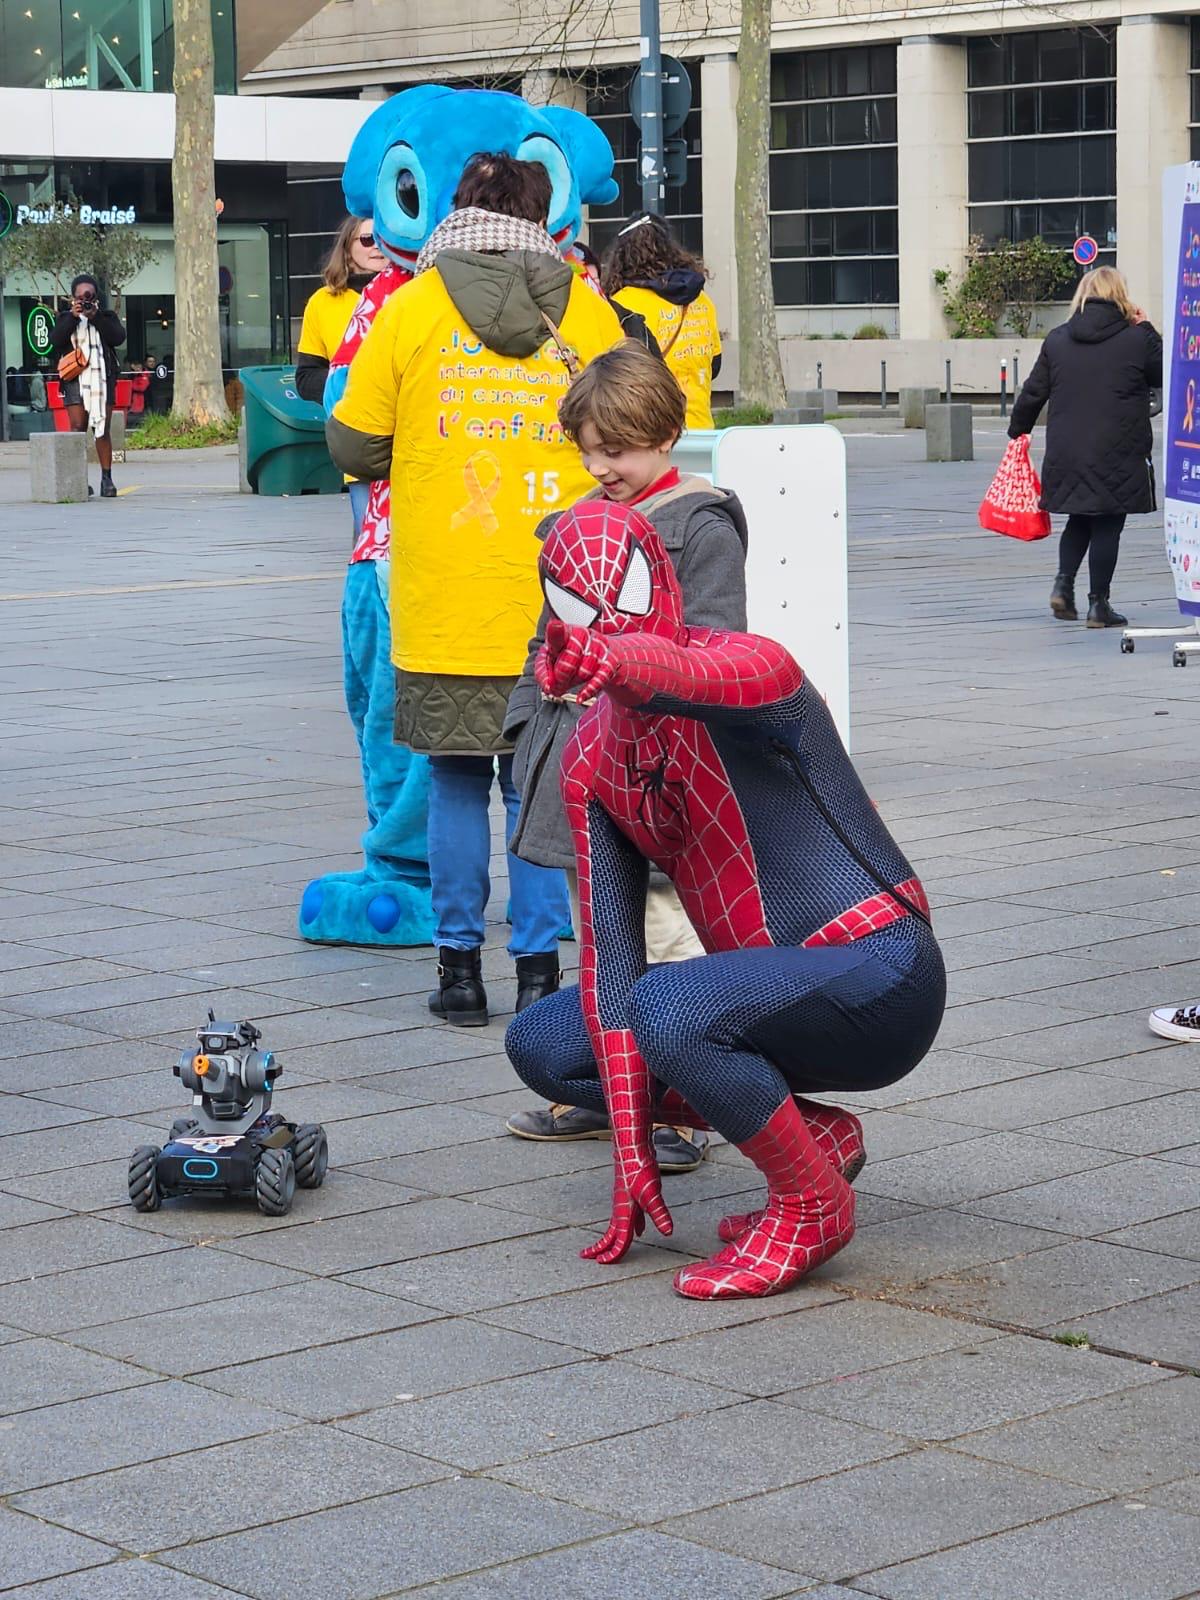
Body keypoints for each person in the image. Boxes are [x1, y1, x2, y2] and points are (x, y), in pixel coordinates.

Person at [504, 499, 946, 1300]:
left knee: (670, 1004)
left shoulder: (753, 670)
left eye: (620, 594)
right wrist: (630, 1154)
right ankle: (813, 1139)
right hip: (770, 992)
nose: (601, 619)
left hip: (885, 970)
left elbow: (689, 673)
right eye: (572, 602)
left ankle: (812, 1205)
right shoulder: (592, 759)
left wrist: (623, 664)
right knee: (546, 1043)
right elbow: (611, 965)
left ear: (664, 582)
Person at [328, 153, 624, 1024]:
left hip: (443, 592)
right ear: (544, 217)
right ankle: (540, 975)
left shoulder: (410, 306)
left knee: (455, 781)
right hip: (558, 595)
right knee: (535, 788)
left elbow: (350, 445)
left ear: (458, 209)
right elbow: (634, 416)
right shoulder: (584, 306)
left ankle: (459, 975)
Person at [503, 340, 748, 1174]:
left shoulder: (700, 526)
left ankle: (685, 1103)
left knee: (669, 932)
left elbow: (716, 647)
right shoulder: (580, 525)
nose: (599, 466)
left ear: (664, 436)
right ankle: (610, 1089)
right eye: (589, 449)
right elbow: (546, 638)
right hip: (580, 756)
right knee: (601, 935)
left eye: (617, 450)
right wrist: (527, 719)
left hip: (657, 765)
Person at [1008, 266, 1162, 629]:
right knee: (1108, 521)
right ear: (1120, 295)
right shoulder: (1135, 338)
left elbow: (1033, 391)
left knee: (1080, 517)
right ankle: (1099, 605)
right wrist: (1147, 326)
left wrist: (1018, 431)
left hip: (1068, 450)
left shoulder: (1059, 339)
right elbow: (1162, 373)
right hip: (1118, 447)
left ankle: (1063, 585)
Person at [296, 216, 387, 537]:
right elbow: (306, 378)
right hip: (359, 433)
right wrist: (350, 383)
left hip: (413, 435)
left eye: (381, 236)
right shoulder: (323, 303)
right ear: (347, 250)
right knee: (369, 537)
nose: (376, 245)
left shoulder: (413, 292)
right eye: (366, 239)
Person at [602, 214, 722, 429]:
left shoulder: (620, 303)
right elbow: (715, 365)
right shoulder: (701, 300)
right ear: (670, 249)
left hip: (652, 433)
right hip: (702, 428)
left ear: (621, 256)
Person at [49, 274, 125, 498]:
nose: (84, 300)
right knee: (77, 427)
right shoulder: (65, 318)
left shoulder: (106, 316)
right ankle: (78, 478)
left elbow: (118, 337)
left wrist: (96, 318)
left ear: (95, 296)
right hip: (74, 380)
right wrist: (73, 317)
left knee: (102, 428)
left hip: (103, 380)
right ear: (73, 297)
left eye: (88, 296)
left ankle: (106, 479)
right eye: (80, 296)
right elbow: (55, 340)